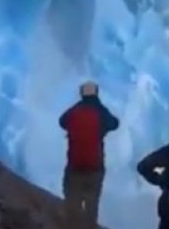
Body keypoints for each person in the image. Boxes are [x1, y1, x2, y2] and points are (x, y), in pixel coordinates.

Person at [59, 81, 120, 229]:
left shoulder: (75, 111)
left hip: (74, 166)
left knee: (72, 204)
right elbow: (115, 123)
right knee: (91, 206)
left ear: (82, 94)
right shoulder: (100, 112)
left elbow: (62, 121)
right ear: (96, 93)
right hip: (95, 167)